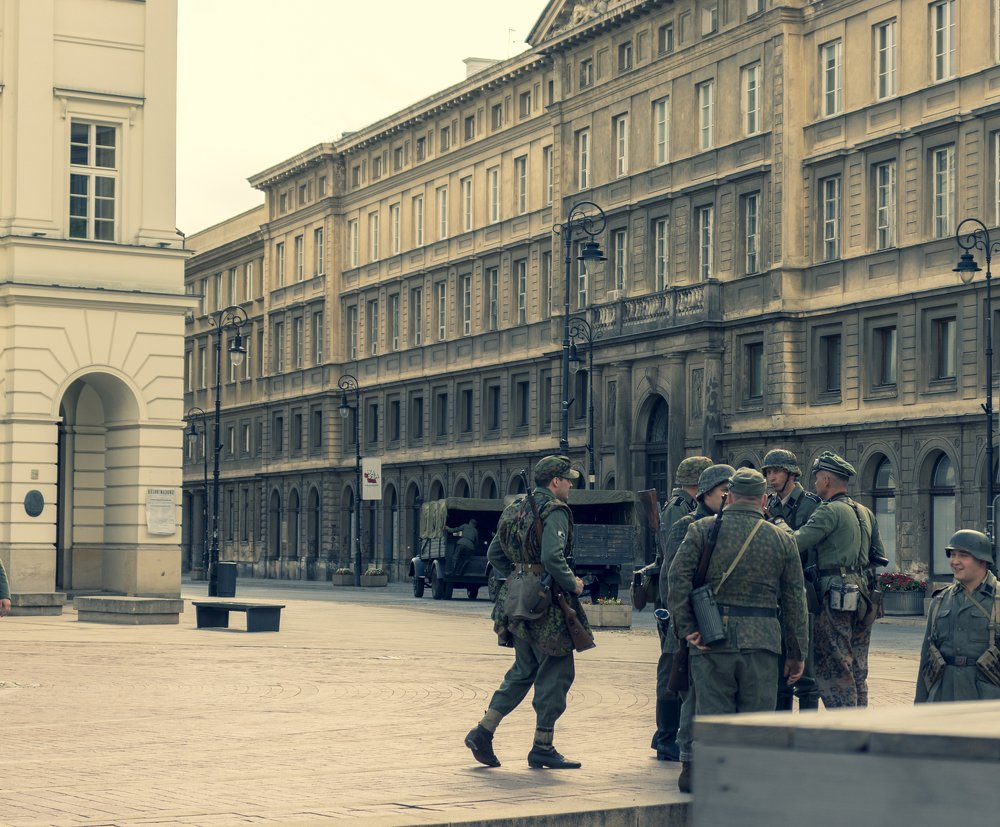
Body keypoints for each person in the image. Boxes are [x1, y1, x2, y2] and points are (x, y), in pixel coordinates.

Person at [668, 468, 808, 793]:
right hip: (762, 643)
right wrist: (797, 653)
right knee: (755, 724)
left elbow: (677, 579)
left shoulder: (702, 529)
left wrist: (688, 628)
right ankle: (748, 788)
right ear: (763, 499)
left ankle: (716, 786)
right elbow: (794, 602)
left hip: (711, 640)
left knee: (714, 721)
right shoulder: (782, 539)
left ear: (729, 497)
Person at [464, 455, 588, 770]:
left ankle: (484, 730)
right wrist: (572, 583)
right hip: (548, 603)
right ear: (555, 482)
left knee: (522, 671)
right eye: (567, 479)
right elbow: (552, 555)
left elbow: (495, 553)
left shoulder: (514, 508)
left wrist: (521, 574)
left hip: (517, 600)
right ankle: (542, 746)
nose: (571, 485)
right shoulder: (555, 510)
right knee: (557, 672)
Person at [657, 463, 732, 775]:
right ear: (704, 494)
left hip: (710, 616)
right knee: (677, 676)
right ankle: (668, 739)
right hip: (686, 617)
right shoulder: (686, 523)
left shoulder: (723, 523)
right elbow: (672, 575)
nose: (728, 498)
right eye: (723, 492)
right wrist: (678, 619)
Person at [792, 451, 883, 708]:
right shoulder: (865, 511)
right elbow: (879, 556)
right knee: (857, 665)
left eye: (818, 478)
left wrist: (778, 526)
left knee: (835, 663)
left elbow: (795, 542)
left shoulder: (829, 511)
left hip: (836, 596)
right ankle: (859, 721)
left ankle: (844, 725)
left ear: (827, 480)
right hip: (864, 595)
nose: (816, 484)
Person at [649, 455, 712, 760]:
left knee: (676, 666)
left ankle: (665, 734)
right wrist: (675, 611)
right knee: (672, 668)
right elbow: (672, 565)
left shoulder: (683, 507)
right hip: (675, 605)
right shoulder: (679, 511)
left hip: (678, 602)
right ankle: (665, 736)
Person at [763, 448, 822, 711]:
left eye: (777, 471)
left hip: (804, 589)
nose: (771, 477)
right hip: (776, 590)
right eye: (768, 472)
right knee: (779, 674)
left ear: (791, 474)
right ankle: (782, 734)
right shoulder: (771, 504)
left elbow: (807, 546)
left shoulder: (811, 504)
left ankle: (807, 736)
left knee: (807, 675)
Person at [916, 530, 1000, 703]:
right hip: (943, 695)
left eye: (963, 555)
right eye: (952, 555)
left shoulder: (997, 600)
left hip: (986, 697)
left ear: (981, 559)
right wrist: (920, 704)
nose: (955, 561)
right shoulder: (940, 601)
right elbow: (926, 657)